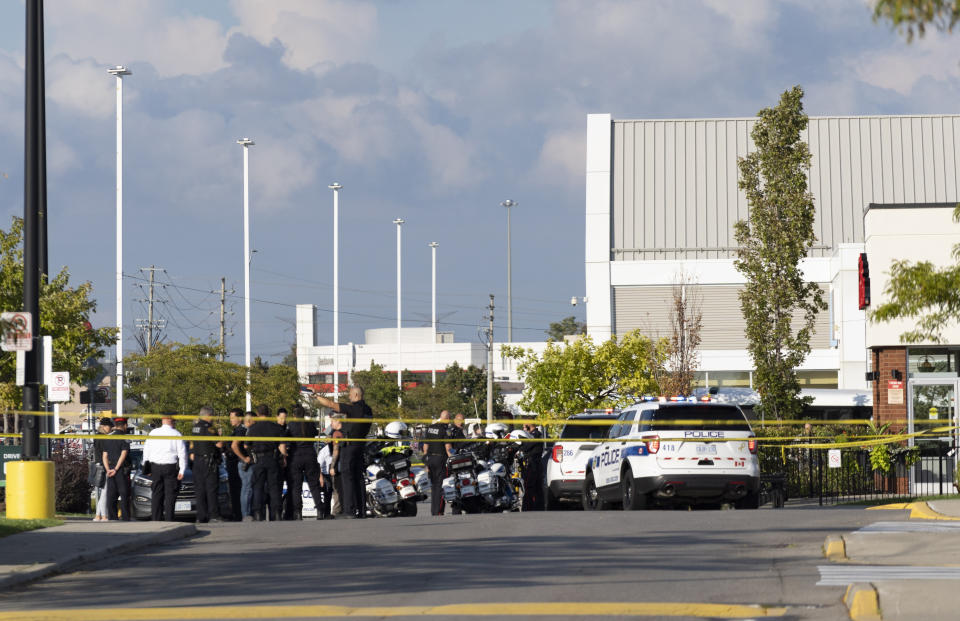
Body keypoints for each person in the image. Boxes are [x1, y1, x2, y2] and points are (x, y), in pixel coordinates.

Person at [313, 386, 373, 519]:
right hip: (361, 444)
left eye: (350, 395)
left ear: (356, 395)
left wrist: (317, 396)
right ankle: (362, 510)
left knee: (347, 477)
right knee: (359, 478)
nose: (349, 397)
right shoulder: (368, 410)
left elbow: (330, 404)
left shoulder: (353, 408)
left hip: (350, 445)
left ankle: (349, 511)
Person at [245, 404, 288, 521]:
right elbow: (282, 446)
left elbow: (246, 445)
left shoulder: (252, 429)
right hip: (272, 459)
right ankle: (277, 513)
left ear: (258, 414)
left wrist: (251, 457)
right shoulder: (275, 427)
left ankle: (258, 513)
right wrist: (283, 458)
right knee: (274, 488)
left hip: (258, 460)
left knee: (258, 487)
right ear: (268, 413)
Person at [143, 413, 188, 521]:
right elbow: (182, 454)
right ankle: (169, 519)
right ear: (171, 420)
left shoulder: (153, 433)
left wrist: (146, 468)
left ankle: (156, 519)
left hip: (156, 467)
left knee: (156, 494)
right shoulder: (176, 434)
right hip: (170, 467)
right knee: (170, 496)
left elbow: (146, 452)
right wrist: (182, 469)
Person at [287, 405, 324, 520]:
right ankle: (320, 510)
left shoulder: (291, 425)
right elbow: (314, 433)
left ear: (294, 415)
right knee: (313, 485)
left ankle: (298, 512)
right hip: (310, 455)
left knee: (296, 487)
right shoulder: (310, 424)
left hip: (296, 456)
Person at [189, 406, 224, 523]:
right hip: (209, 462)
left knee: (199, 490)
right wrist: (220, 437)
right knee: (211, 489)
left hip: (197, 462)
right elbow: (219, 445)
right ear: (209, 415)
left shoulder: (195, 428)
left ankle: (201, 516)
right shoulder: (209, 428)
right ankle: (214, 515)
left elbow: (191, 450)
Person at [421, 410, 453, 516]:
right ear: (447, 418)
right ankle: (438, 511)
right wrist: (453, 459)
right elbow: (448, 448)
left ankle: (434, 511)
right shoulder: (445, 430)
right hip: (440, 460)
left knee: (434, 486)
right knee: (440, 486)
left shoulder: (430, 428)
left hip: (430, 459)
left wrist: (426, 462)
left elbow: (425, 446)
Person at [102, 418, 131, 520]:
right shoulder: (124, 437)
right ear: (124, 425)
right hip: (121, 470)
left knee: (111, 495)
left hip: (110, 470)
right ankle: (126, 517)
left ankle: (112, 517)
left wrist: (108, 470)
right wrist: (116, 468)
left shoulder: (109, 438)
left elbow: (104, 456)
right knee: (124, 494)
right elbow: (124, 453)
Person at [231, 411, 255, 521]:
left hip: (244, 463)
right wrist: (244, 458)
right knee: (247, 489)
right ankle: (246, 514)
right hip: (245, 464)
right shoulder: (242, 431)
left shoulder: (243, 430)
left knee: (247, 488)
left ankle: (247, 513)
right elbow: (234, 445)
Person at [224, 408, 245, 521]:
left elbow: (234, 446)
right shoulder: (235, 431)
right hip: (232, 465)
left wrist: (243, 458)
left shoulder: (241, 430)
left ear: (240, 418)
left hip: (237, 464)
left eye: (233, 417)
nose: (230, 420)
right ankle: (236, 513)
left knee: (238, 491)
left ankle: (239, 514)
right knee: (234, 491)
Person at [91, 417, 113, 521]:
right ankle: (103, 515)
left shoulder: (96, 437)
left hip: (97, 465)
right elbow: (106, 455)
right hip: (104, 466)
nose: (111, 428)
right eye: (109, 426)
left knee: (101, 491)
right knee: (105, 491)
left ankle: (98, 515)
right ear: (104, 427)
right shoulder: (105, 438)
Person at [521, 423, 545, 511]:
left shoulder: (535, 435)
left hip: (533, 465)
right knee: (537, 488)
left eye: (524, 426)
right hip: (535, 465)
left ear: (528, 425)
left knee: (530, 487)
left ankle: (528, 508)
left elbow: (525, 447)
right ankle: (538, 508)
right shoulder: (535, 435)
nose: (523, 428)